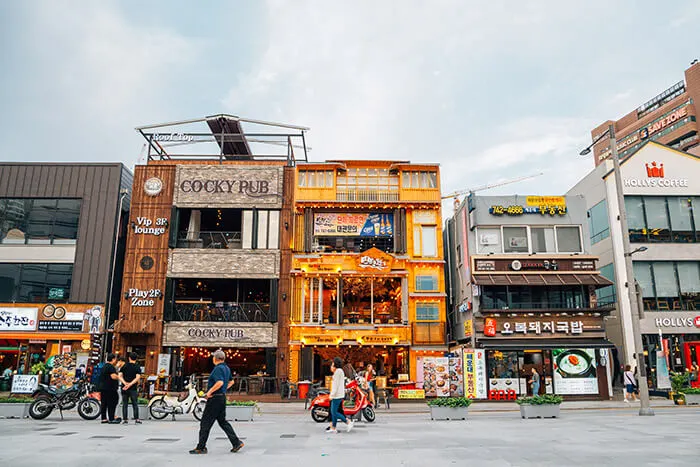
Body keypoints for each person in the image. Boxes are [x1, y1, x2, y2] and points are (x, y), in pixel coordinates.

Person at [190, 349, 243, 455]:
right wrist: (224, 389)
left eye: (213, 357)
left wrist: (209, 392)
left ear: (215, 358)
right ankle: (236, 442)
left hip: (214, 399)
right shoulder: (226, 368)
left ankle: (201, 447)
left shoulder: (217, 369)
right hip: (221, 397)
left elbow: (219, 382)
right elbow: (231, 381)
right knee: (223, 422)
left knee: (205, 422)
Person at [327, 357, 354, 434]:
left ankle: (348, 422)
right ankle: (334, 428)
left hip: (337, 395)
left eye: (332, 364)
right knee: (334, 412)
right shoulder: (340, 371)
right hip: (339, 394)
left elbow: (335, 385)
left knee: (334, 412)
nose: (331, 366)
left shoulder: (338, 372)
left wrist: (331, 395)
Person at [119, 352, 142, 424]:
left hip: (124, 388)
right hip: (133, 388)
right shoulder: (137, 367)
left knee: (125, 404)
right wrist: (130, 384)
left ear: (129, 358)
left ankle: (125, 419)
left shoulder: (124, 366)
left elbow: (119, 376)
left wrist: (125, 383)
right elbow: (138, 377)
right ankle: (137, 419)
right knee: (135, 403)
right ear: (136, 359)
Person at [99, 354, 122, 424]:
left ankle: (104, 418)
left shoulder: (104, 366)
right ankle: (111, 418)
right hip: (110, 388)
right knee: (112, 402)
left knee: (104, 403)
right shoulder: (111, 367)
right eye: (115, 359)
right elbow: (113, 376)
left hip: (103, 387)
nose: (116, 360)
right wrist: (120, 377)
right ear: (113, 359)